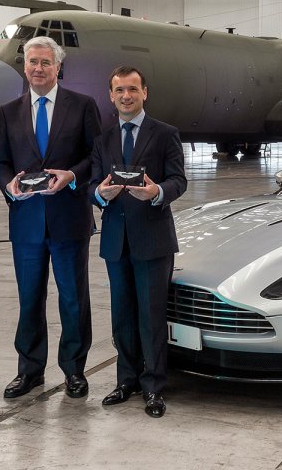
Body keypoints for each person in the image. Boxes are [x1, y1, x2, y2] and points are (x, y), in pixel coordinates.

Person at [0, 36, 101, 400]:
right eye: (32, 62)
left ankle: (74, 370)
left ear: (58, 67)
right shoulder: (8, 111)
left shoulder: (82, 106)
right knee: (29, 299)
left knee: (73, 299)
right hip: (26, 220)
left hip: (69, 219)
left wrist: (72, 176)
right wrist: (9, 185)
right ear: (24, 66)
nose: (38, 68)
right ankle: (29, 371)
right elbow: (0, 161)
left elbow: (96, 156)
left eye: (45, 62)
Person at [89, 66, 187, 418]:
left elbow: (179, 180)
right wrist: (99, 194)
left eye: (132, 89)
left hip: (153, 240)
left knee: (151, 316)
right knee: (123, 317)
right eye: (119, 90)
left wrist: (157, 192)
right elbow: (92, 184)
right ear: (111, 96)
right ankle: (126, 380)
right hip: (116, 240)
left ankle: (154, 386)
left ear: (145, 92)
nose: (126, 96)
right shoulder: (103, 139)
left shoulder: (165, 134)